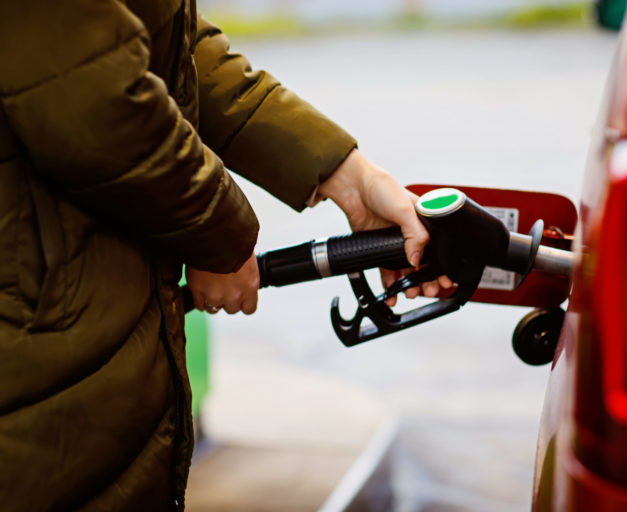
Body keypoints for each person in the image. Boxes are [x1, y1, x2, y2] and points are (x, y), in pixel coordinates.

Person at [0, 1, 449, 510]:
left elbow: (173, 48)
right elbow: (95, 94)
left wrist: (351, 175)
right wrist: (218, 234)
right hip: (33, 327)